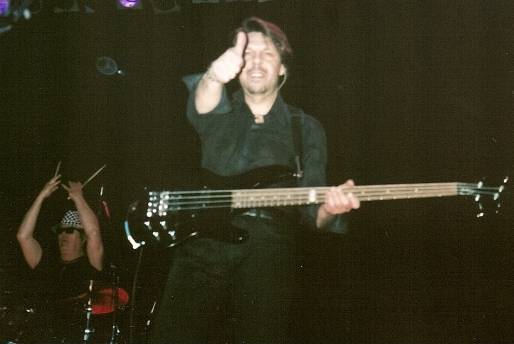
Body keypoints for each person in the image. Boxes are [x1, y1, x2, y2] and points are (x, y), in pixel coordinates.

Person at [151, 17, 360, 344]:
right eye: (247, 54)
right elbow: (201, 103)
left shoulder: (305, 128)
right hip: (202, 239)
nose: (256, 61)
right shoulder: (219, 109)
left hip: (269, 246)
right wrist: (213, 75)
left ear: (282, 68)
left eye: (267, 53)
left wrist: (332, 209)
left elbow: (313, 215)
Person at [16, 174, 104, 342]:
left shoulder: (91, 263)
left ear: (82, 238)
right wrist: (41, 196)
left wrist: (79, 198)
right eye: (61, 230)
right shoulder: (46, 262)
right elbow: (23, 236)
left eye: (70, 231)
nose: (63, 235)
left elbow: (93, 232)